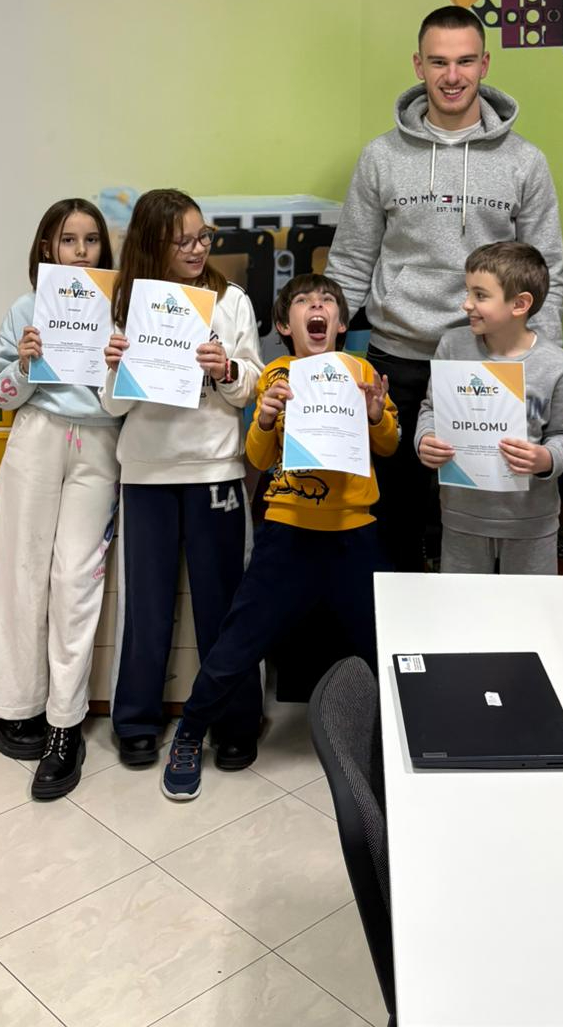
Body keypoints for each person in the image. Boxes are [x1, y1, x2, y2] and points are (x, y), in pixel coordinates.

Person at [326, 5, 563, 570]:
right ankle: (402, 624)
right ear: (419, 65)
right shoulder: (381, 157)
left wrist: (541, 368)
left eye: (464, 62)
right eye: (438, 62)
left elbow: (546, 271)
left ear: (485, 64)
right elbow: (351, 261)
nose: (452, 76)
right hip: (398, 358)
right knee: (394, 517)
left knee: (476, 522)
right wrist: (320, 358)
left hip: (489, 363)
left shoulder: (524, 161)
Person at [160, 273, 397, 801]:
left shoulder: (362, 372)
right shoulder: (274, 375)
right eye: (305, 302)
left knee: (383, 645)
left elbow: (388, 444)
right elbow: (258, 456)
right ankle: (190, 732)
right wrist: (265, 418)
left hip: (354, 533)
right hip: (287, 533)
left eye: (328, 302)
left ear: (340, 323)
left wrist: (377, 413)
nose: (317, 307)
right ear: (285, 326)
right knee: (238, 640)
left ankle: (398, 748)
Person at [102, 189, 264, 772]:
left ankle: (235, 721)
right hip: (147, 471)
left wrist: (227, 369)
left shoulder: (231, 300)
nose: (198, 249)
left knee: (224, 605)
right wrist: (115, 368)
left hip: (214, 467)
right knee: (146, 606)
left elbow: (251, 387)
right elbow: (112, 407)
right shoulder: (126, 304)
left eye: (204, 237)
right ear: (153, 245)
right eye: (184, 241)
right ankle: (136, 721)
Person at [0, 198, 119, 801]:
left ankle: (65, 725)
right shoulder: (24, 309)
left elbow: (125, 401)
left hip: (100, 445)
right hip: (35, 436)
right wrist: (25, 364)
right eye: (68, 240)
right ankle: (10, 707)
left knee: (75, 582)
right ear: (47, 249)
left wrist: (118, 365)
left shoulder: (120, 310)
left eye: (91, 240)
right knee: (21, 572)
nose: (80, 251)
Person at [415, 243, 563, 575]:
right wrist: (425, 438)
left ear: (519, 304)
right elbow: (431, 408)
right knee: (463, 603)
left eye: (480, 295)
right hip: (462, 517)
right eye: (468, 292)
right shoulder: (452, 346)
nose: (466, 304)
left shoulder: (557, 365)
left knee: (530, 604)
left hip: (530, 522)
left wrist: (545, 459)